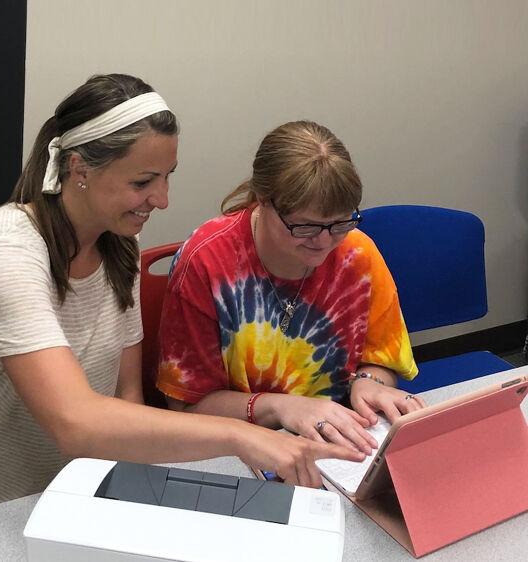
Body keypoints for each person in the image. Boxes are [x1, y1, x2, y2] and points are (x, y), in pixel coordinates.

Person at [0, 78, 362, 529]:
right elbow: (75, 421)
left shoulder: (118, 249)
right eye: (144, 181)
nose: (162, 199)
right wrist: (244, 435)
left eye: (166, 178)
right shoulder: (8, 253)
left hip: (69, 496)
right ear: (79, 169)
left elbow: (127, 400)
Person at [157, 120, 425, 456]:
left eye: (340, 222)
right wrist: (282, 407)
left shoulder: (357, 253)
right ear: (262, 201)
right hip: (239, 446)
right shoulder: (206, 263)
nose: (325, 241)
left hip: (338, 435)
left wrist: (369, 384)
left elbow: (380, 361)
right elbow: (187, 409)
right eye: (306, 226)